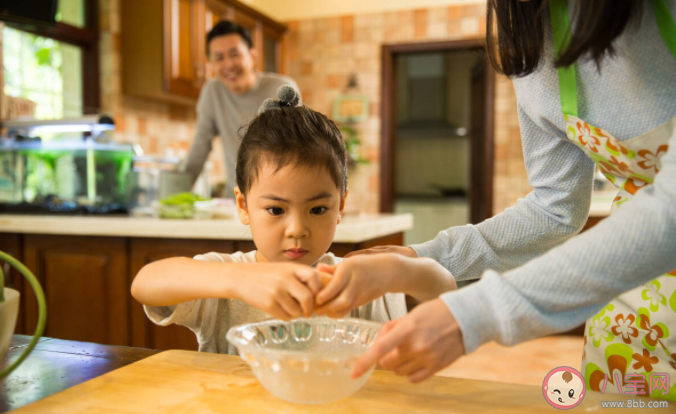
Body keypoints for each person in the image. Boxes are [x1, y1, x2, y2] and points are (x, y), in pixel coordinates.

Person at [346, 0, 676, 400]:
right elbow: (555, 208)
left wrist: (477, 313)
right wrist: (422, 257)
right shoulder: (534, 42)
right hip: (639, 294)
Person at [131, 86, 457, 354]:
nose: (297, 230)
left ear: (340, 205)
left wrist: (397, 270)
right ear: (243, 205)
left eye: (317, 209)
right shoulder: (228, 283)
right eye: (276, 210)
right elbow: (145, 282)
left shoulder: (355, 284)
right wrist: (239, 281)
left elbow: (445, 290)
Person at [184, 20, 300, 198]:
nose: (229, 65)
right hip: (237, 200)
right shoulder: (212, 92)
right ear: (211, 63)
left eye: (234, 54)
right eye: (219, 58)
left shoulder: (282, 88)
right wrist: (172, 196)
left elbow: (301, 147)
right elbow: (199, 148)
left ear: (253, 56)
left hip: (282, 199)